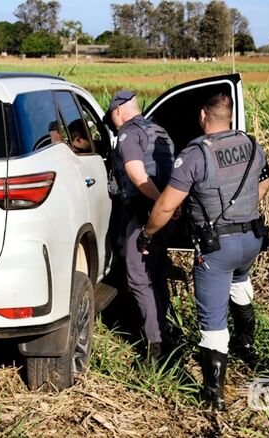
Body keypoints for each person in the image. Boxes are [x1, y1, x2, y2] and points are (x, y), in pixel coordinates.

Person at [136, 93, 269, 410]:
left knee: (212, 322)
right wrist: (244, 209)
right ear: (230, 115)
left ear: (202, 115)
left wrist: (147, 234)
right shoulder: (254, 146)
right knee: (240, 284)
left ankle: (214, 396)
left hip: (216, 248)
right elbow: (264, 182)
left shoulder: (195, 155)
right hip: (251, 239)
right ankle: (247, 345)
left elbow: (167, 206)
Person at [107, 90, 176, 360]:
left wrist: (160, 202)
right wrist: (170, 205)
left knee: (137, 276)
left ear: (117, 112)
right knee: (156, 271)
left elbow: (137, 175)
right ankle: (168, 327)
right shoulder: (160, 131)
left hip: (145, 212)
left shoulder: (128, 133)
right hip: (166, 215)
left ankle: (156, 347)